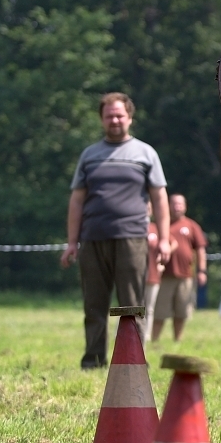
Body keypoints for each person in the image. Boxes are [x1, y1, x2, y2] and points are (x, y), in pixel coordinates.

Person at [61, 92, 170, 369]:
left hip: (132, 238)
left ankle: (132, 362)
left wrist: (165, 240)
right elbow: (76, 200)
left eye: (120, 115)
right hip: (92, 238)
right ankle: (93, 360)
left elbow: (159, 198)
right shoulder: (89, 155)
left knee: (132, 305)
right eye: (109, 116)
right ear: (102, 119)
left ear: (130, 118)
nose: (115, 120)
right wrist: (72, 242)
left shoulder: (146, 153)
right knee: (94, 305)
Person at [150, 193, 206, 342]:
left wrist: (202, 271)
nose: (177, 207)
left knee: (182, 312)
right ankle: (154, 340)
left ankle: (177, 340)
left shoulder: (192, 226)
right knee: (160, 312)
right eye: (174, 204)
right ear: (168, 206)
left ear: (185, 206)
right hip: (164, 276)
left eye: (180, 204)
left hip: (186, 276)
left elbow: (200, 249)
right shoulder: (162, 224)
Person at [143, 203, 163, 344]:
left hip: (152, 273)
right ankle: (120, 334)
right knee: (128, 306)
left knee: (149, 308)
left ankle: (146, 335)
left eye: (149, 208)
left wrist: (161, 261)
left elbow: (171, 242)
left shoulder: (156, 228)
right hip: (133, 275)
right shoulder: (131, 227)